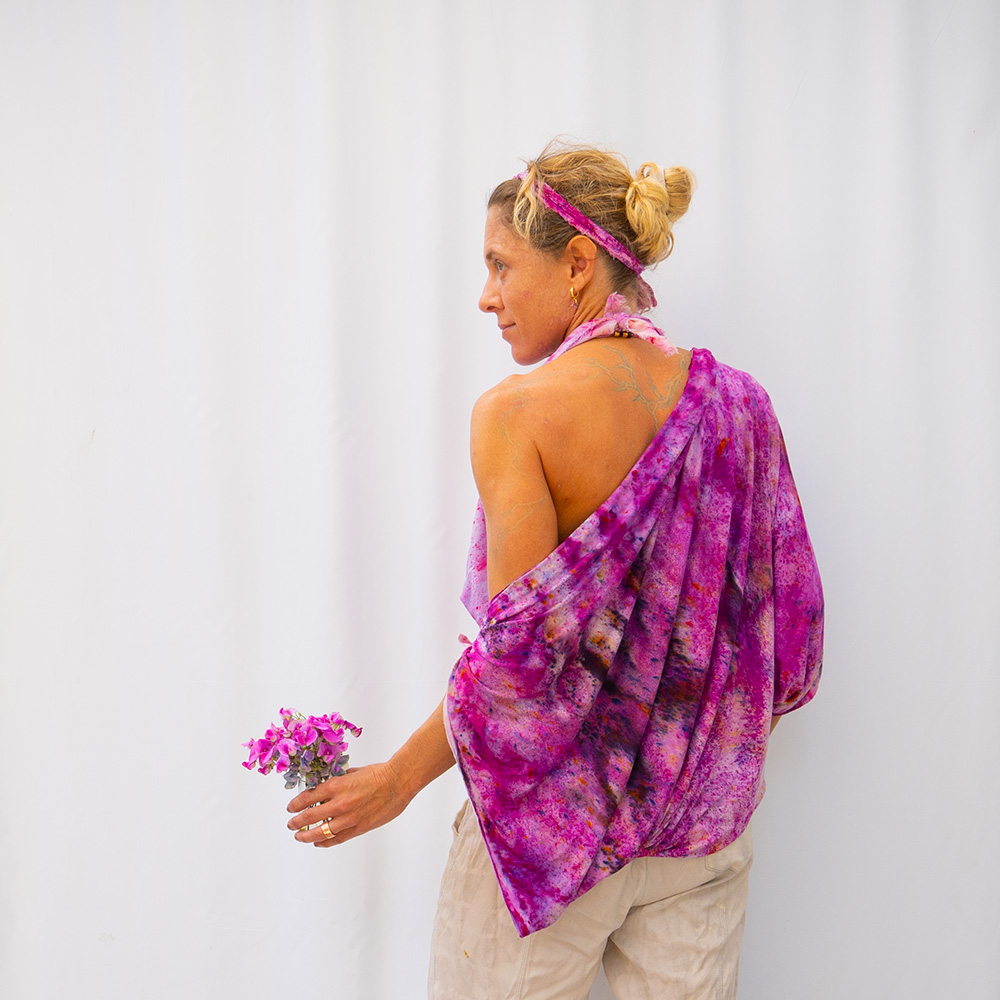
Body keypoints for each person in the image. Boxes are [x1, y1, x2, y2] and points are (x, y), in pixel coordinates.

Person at [286, 142, 824, 999]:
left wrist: (395, 782)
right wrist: (683, 743)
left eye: (500, 264)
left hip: (549, 842)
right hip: (698, 836)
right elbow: (791, 641)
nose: (486, 295)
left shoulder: (519, 415)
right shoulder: (742, 408)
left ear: (577, 263)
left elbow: (518, 669)